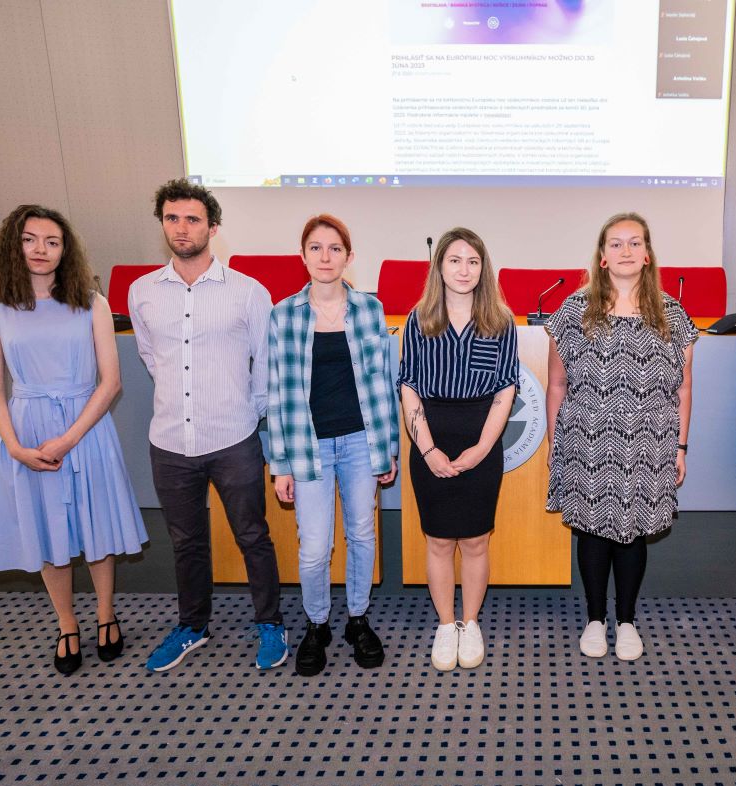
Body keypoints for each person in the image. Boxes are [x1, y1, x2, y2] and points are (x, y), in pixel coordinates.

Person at [0, 204, 148, 675]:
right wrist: (14, 446)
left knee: (97, 527)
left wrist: (70, 438)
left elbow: (110, 382)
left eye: (52, 242)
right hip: (26, 433)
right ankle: (67, 624)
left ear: (65, 250)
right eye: (30, 239)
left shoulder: (91, 302)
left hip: (86, 427)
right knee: (47, 529)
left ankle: (106, 614)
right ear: (13, 246)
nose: (41, 249)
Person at [129, 178, 286, 672]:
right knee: (186, 542)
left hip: (233, 438)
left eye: (193, 219)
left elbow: (267, 365)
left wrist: (247, 412)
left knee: (252, 535)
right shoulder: (142, 293)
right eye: (172, 218)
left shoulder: (248, 292)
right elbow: (152, 358)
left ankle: (270, 622)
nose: (182, 228)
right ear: (162, 224)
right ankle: (192, 626)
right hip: (170, 440)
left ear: (213, 227)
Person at [545, 212, 697, 662]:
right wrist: (555, 444)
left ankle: (626, 620)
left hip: (651, 444)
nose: (626, 250)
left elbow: (684, 388)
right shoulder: (573, 310)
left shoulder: (672, 314)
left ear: (647, 254)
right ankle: (595, 618)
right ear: (602, 256)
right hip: (587, 442)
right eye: (616, 243)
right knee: (592, 534)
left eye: (635, 242)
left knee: (634, 535)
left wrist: (681, 447)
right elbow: (557, 384)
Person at [267, 214, 399, 675]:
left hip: (362, 441)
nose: (326, 257)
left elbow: (383, 383)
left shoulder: (369, 310)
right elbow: (277, 393)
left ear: (349, 257)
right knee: (314, 547)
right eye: (316, 248)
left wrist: (387, 448)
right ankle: (317, 623)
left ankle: (357, 618)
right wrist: (279, 464)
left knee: (362, 535)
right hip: (308, 447)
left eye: (335, 249)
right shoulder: (283, 314)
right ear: (302, 256)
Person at [398, 227, 518, 671]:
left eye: (473, 261)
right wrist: (428, 449)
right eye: (454, 260)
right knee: (438, 540)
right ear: (440, 267)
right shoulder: (418, 320)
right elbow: (409, 386)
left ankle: (471, 623)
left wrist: (483, 448)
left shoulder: (501, 321)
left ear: (483, 268)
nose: (464, 270)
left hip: (482, 439)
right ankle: (446, 625)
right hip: (430, 438)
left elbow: (505, 390)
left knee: (475, 540)